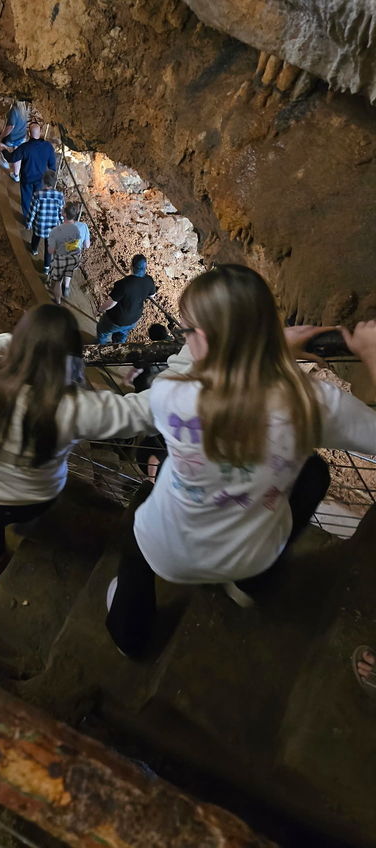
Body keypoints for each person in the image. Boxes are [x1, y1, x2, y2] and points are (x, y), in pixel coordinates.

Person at [106, 265, 376, 657]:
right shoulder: (312, 403)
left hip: (168, 551)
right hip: (252, 556)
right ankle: (248, 587)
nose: (186, 344)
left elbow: (216, 390)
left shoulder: (170, 393)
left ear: (207, 342)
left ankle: (129, 637)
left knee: (140, 512)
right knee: (313, 470)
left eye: (187, 333)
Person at [0, 304, 169, 591]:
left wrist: (31, 337)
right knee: (24, 513)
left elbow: (0, 342)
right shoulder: (70, 408)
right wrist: (184, 368)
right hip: (29, 500)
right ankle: (26, 525)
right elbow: (142, 412)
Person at [96, 254, 156, 345]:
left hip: (116, 320)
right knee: (122, 335)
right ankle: (118, 350)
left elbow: (111, 303)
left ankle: (101, 348)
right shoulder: (149, 280)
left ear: (131, 267)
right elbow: (152, 296)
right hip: (134, 319)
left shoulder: (123, 284)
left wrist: (100, 309)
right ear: (145, 267)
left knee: (102, 331)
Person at [47, 202, 91, 303]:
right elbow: (87, 245)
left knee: (58, 280)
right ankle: (66, 287)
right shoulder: (84, 226)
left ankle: (57, 300)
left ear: (65, 214)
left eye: (63, 209)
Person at [25, 170, 63, 274]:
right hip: (52, 227)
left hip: (39, 225)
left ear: (43, 181)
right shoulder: (59, 196)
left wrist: (28, 223)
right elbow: (60, 212)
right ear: (54, 182)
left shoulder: (38, 194)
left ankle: (34, 249)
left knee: (36, 236)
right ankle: (46, 267)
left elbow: (32, 211)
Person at [16, 124, 57, 219]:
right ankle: (38, 217)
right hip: (41, 179)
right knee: (39, 199)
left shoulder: (25, 147)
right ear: (41, 132)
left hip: (27, 178)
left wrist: (3, 150)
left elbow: (13, 157)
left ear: (29, 133)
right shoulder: (48, 146)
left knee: (26, 199)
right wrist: (50, 181)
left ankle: (28, 219)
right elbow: (52, 166)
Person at [0, 99, 29, 179]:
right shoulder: (24, 108)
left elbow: (10, 127)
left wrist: (0, 137)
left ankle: (5, 162)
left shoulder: (14, 110)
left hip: (13, 138)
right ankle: (16, 175)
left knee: (1, 145)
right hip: (22, 137)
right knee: (18, 155)